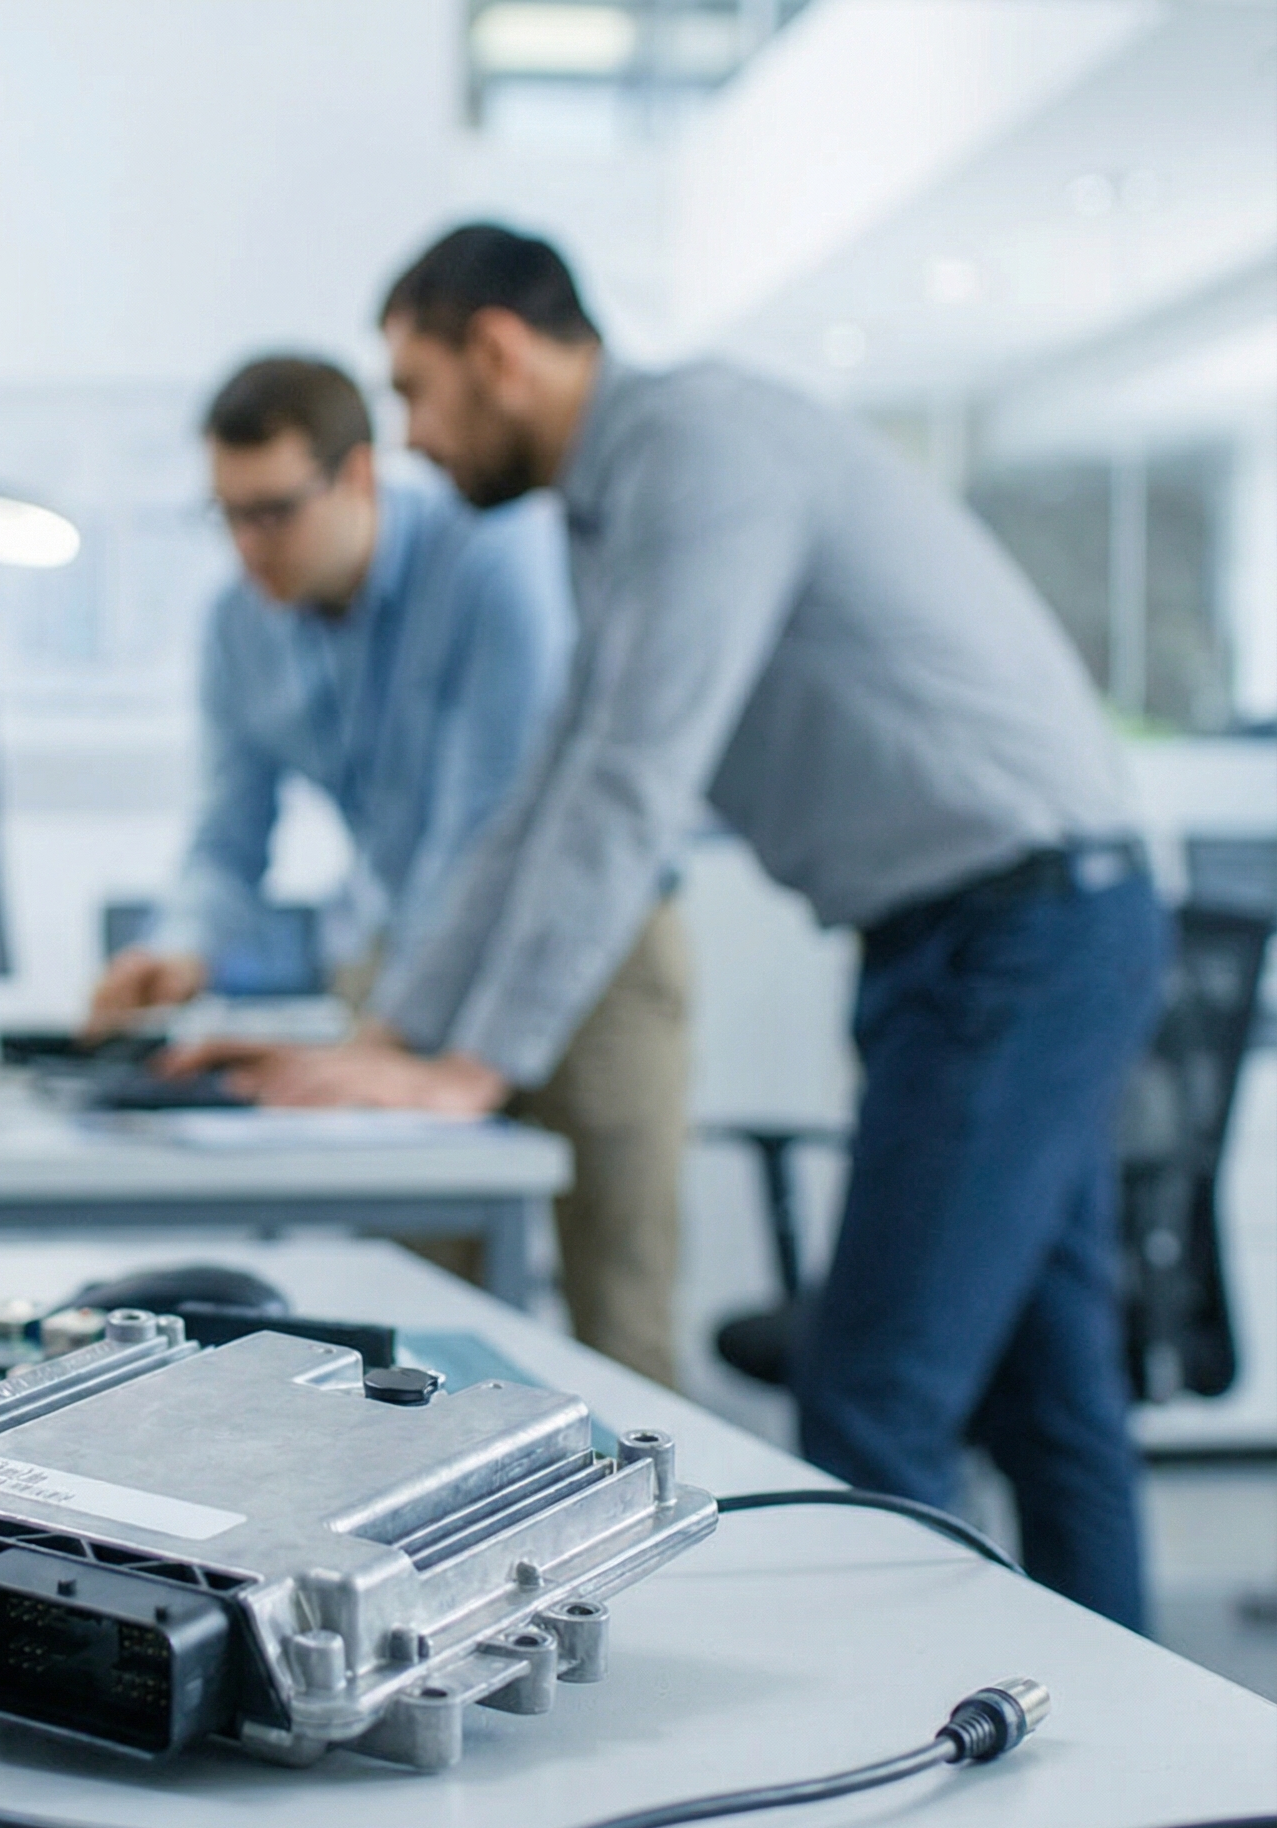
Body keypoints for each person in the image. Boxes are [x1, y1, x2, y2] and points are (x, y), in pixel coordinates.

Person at [174, 226, 1164, 1630]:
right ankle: (1122, 1766)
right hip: (983, 930)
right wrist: (400, 1034)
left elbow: (632, 779)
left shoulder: (698, 454)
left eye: (414, 390)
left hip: (1024, 929)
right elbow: (548, 790)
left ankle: (881, 1776)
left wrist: (474, 1070)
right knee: (1049, 1399)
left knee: (874, 1393)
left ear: (499, 352)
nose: (408, 434)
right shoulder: (612, 502)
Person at [91, 353, 693, 1383]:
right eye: (226, 515)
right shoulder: (239, 625)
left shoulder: (490, 563)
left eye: (273, 512)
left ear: (356, 476)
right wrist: (181, 945)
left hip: (589, 946)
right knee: (415, 1309)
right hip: (408, 942)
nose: (247, 548)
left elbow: (483, 831)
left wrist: (387, 1034)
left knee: (618, 1310)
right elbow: (229, 830)